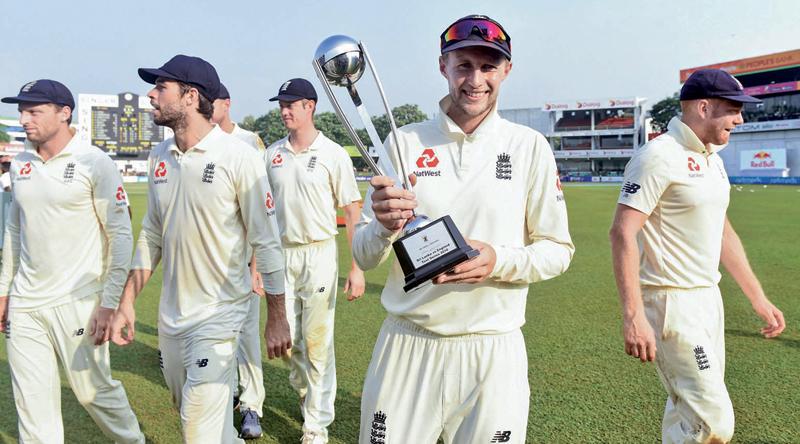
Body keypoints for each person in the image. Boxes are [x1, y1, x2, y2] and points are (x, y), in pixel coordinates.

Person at [352, 15, 574, 443]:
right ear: (443, 67)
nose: (475, 80)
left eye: (488, 67)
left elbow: (558, 250)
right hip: (409, 344)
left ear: (506, 70)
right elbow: (364, 255)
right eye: (464, 65)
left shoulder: (528, 147)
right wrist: (381, 227)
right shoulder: (404, 143)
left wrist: (497, 260)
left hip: (494, 348)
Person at [108, 55, 290, 444]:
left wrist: (277, 315)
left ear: (190, 97)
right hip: (172, 319)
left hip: (222, 314)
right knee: (205, 423)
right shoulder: (160, 157)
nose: (151, 95)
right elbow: (151, 235)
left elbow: (267, 242)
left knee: (197, 429)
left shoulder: (239, 157)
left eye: (161, 87)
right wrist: (127, 301)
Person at [609, 68, 786, 443]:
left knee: (685, 412)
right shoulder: (658, 156)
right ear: (703, 107)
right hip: (672, 303)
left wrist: (758, 298)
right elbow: (622, 231)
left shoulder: (713, 159)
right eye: (733, 110)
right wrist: (634, 316)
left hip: (709, 299)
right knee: (714, 421)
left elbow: (723, 231)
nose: (740, 119)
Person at [0, 79, 144, 443]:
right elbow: (15, 232)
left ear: (64, 113)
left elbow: (120, 234)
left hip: (78, 299)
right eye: (21, 111)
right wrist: (5, 292)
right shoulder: (20, 164)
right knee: (31, 404)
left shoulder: (93, 161)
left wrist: (110, 302)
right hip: (27, 301)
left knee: (93, 393)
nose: (24, 118)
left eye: (34, 111)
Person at [263, 77, 365, 444]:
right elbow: (262, 215)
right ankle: (305, 390)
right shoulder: (272, 154)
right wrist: (256, 266)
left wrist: (356, 268)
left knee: (318, 341)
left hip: (319, 252)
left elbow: (352, 211)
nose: (284, 110)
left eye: (291, 104)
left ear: (310, 106)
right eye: (281, 104)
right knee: (287, 342)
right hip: (280, 255)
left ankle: (315, 426)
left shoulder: (333, 154)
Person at [212, 82, 267, 439]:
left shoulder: (250, 142)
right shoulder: (195, 145)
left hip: (243, 256)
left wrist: (256, 265)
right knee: (215, 334)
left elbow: (261, 209)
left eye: (210, 101)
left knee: (246, 334)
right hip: (209, 262)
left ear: (226, 104)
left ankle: (251, 405)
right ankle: (225, 396)